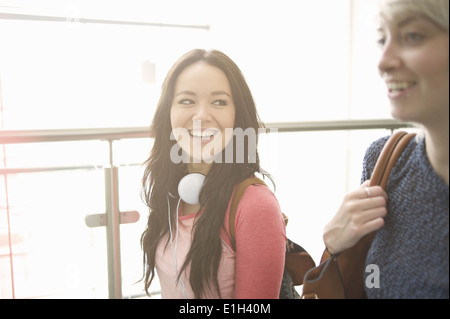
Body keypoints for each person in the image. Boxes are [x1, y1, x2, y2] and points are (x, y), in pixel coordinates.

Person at [322, 0, 449, 298]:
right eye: (382, 39)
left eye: (413, 36)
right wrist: (334, 245)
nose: (382, 62)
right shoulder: (386, 161)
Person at [140, 49, 286, 299]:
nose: (202, 116)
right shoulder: (173, 191)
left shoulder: (255, 206)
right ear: (169, 112)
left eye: (219, 102)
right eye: (187, 101)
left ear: (237, 115)